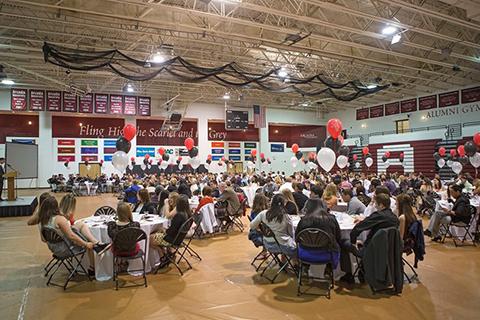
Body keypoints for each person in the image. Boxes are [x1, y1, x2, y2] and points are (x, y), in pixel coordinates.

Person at [38, 196, 107, 275]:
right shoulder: (59, 219)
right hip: (66, 249)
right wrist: (86, 244)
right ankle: (93, 265)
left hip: (54, 249)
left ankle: (96, 244)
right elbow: (71, 236)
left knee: (80, 226)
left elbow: (43, 239)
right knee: (87, 242)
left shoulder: (41, 221)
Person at [340, 193, 399, 283]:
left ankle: (348, 274)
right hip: (389, 249)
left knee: (343, 242)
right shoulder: (394, 218)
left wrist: (353, 242)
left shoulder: (378, 216)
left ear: (381, 205)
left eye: (376, 204)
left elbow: (357, 228)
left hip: (371, 249)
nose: (375, 205)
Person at [150, 195, 192, 270]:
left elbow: (170, 232)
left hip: (172, 239)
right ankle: (166, 256)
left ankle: (163, 257)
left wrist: (164, 230)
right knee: (157, 233)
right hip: (179, 238)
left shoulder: (179, 215)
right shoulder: (187, 214)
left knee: (150, 239)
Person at [250, 194, 296, 258]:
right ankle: (292, 264)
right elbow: (291, 234)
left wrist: (261, 228)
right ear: (284, 204)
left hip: (267, 243)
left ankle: (283, 263)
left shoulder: (263, 213)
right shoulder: (286, 217)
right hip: (282, 246)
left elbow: (252, 226)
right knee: (295, 247)